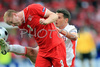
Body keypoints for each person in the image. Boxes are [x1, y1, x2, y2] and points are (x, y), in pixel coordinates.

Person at [2, 4, 67, 67]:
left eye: (11, 22)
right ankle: (9, 47)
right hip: (43, 50)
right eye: (10, 24)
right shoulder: (21, 25)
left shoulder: (32, 9)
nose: (13, 25)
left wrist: (46, 21)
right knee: (31, 53)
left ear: (14, 15)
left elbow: (54, 15)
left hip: (56, 46)